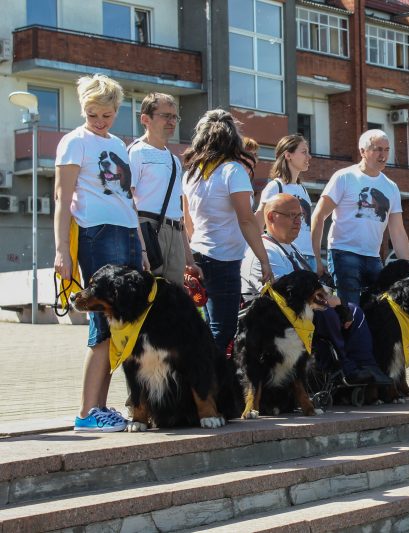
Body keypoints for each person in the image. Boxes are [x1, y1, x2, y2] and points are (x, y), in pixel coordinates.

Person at [54, 74, 144, 432]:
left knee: (124, 323)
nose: (99, 121)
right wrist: (62, 250)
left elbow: (128, 198)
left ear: (116, 111)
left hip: (126, 232)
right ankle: (88, 411)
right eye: (92, 114)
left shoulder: (119, 144)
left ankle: (101, 407)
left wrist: (141, 246)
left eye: (106, 115)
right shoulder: (74, 141)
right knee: (103, 323)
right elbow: (62, 197)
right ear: (83, 109)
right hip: (96, 233)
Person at [242, 193, 391, 385]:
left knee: (354, 311)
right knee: (326, 312)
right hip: (273, 319)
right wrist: (331, 302)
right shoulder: (263, 251)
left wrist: (336, 302)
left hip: (301, 313)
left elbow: (311, 287)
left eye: (301, 216)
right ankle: (345, 368)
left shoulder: (291, 248)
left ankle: (366, 367)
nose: (299, 222)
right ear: (271, 217)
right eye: (292, 216)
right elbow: (285, 295)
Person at [182, 109, 272, 352]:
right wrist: (264, 260)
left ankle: (203, 371)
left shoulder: (192, 173)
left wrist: (190, 257)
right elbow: (247, 220)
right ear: (233, 138)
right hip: (224, 259)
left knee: (208, 326)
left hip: (199, 253)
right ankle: (213, 374)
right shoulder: (233, 171)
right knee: (223, 330)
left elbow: (187, 221)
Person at [310, 129, 409, 305]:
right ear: (362, 151)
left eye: (387, 149)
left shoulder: (391, 187)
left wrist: (408, 271)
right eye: (378, 149)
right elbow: (318, 216)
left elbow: (398, 232)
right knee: (350, 310)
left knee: (377, 309)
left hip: (373, 257)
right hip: (343, 253)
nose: (383, 155)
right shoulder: (344, 177)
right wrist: (316, 259)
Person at [129, 92, 201, 286]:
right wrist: (142, 248)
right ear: (145, 119)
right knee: (149, 292)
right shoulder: (136, 152)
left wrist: (189, 259)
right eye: (165, 116)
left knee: (174, 294)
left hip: (174, 233)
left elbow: (177, 213)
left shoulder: (174, 159)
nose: (171, 121)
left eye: (174, 117)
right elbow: (128, 201)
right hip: (148, 229)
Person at [254, 134, 316, 271]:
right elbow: (258, 224)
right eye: (304, 152)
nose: (309, 157)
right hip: (285, 256)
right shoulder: (275, 186)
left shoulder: (303, 189)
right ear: (288, 155)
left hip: (307, 257)